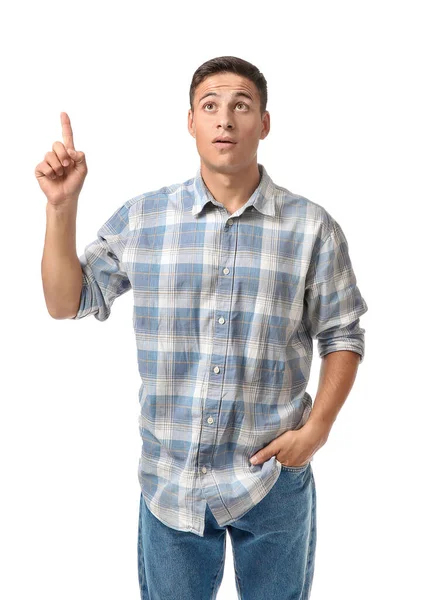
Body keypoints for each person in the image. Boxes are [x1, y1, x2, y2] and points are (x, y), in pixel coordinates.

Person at [36, 55, 368, 600]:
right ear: (190, 121)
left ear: (264, 122)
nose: (225, 119)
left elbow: (343, 334)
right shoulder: (145, 219)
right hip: (171, 479)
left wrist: (319, 429)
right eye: (210, 105)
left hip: (274, 475)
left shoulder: (312, 228)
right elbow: (65, 301)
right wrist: (60, 208)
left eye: (242, 105)